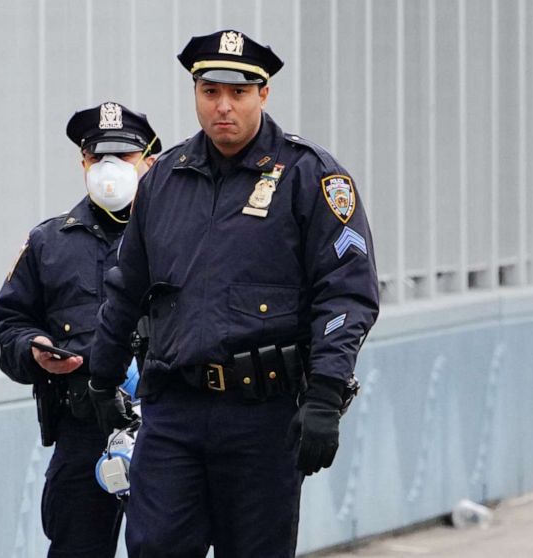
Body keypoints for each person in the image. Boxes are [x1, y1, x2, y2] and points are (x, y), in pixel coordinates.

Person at [87, 30, 380, 557]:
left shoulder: (309, 176)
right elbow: (125, 288)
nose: (223, 106)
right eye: (209, 91)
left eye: (239, 93)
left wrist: (326, 394)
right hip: (173, 411)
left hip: (261, 417)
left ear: (263, 94)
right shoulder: (164, 180)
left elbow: (347, 294)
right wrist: (102, 378)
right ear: (195, 92)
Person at [0, 102, 160, 558]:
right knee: (77, 546)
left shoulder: (176, 235)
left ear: (149, 160)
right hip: (83, 427)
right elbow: (6, 325)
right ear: (82, 162)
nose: (109, 169)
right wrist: (33, 349)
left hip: (167, 425)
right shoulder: (49, 243)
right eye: (97, 157)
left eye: (123, 158)